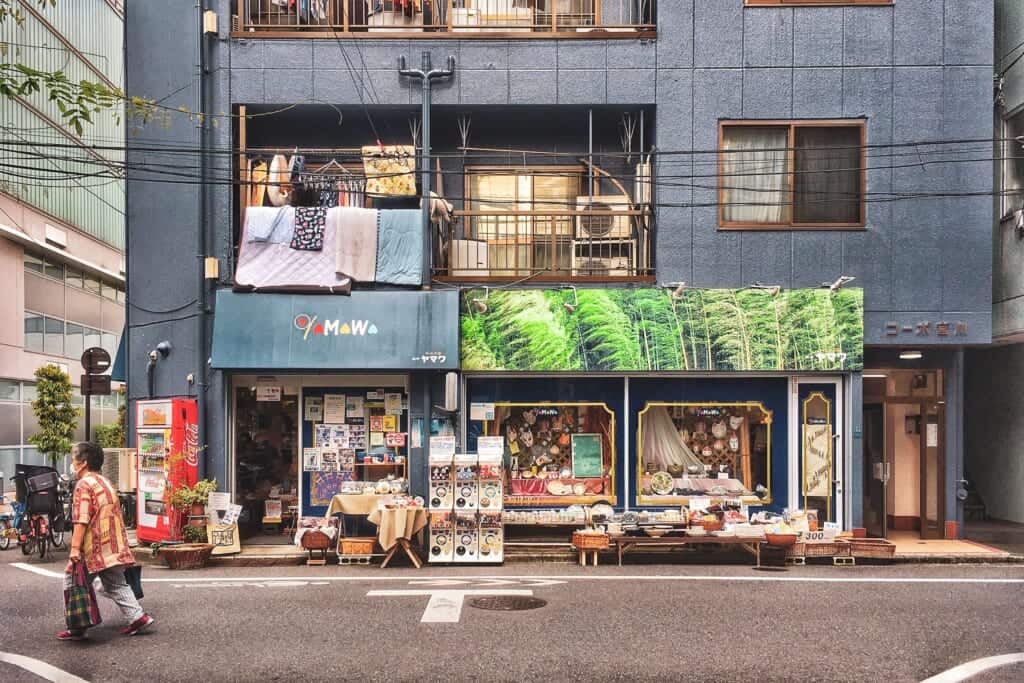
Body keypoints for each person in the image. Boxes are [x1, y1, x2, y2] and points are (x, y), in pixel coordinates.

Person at [58, 441, 154, 641]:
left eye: (74, 457)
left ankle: (78, 626)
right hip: (113, 544)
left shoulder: (83, 485)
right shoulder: (106, 482)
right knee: (116, 584)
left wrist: (75, 549)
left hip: (93, 546)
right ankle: (138, 617)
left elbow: (81, 519)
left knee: (72, 580)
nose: (72, 462)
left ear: (83, 462)